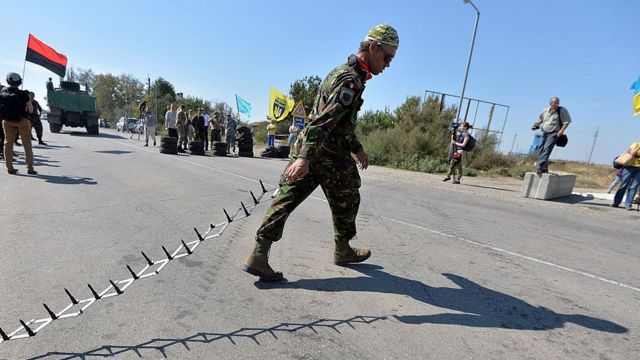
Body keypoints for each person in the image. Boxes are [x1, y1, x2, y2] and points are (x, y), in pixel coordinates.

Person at [242, 24, 399, 282]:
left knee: (286, 198)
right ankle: (343, 250)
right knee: (348, 197)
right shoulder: (351, 80)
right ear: (373, 48)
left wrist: (356, 148)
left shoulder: (342, 72)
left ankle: (259, 254)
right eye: (387, 57)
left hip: (314, 147)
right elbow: (325, 120)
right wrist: (306, 157)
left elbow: (340, 121)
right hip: (327, 154)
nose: (388, 64)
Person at [1, 73, 37, 175]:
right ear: (19, 82)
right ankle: (30, 168)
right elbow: (30, 110)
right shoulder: (23, 94)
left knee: (8, 144)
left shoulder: (2, 92)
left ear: (8, 81)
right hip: (22, 121)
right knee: (27, 145)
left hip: (7, 121)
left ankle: (10, 168)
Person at [531, 97, 571, 175]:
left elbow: (566, 122)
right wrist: (536, 125)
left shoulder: (562, 110)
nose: (557, 104)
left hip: (554, 133)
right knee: (541, 149)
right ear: (550, 103)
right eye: (555, 103)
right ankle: (544, 168)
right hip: (544, 132)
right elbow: (540, 119)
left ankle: (539, 166)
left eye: (558, 103)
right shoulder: (545, 111)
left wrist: (561, 131)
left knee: (547, 149)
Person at [612, 142, 640, 210]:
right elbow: (632, 153)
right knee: (624, 185)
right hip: (629, 167)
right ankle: (616, 202)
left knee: (634, 187)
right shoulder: (636, 144)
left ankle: (628, 204)